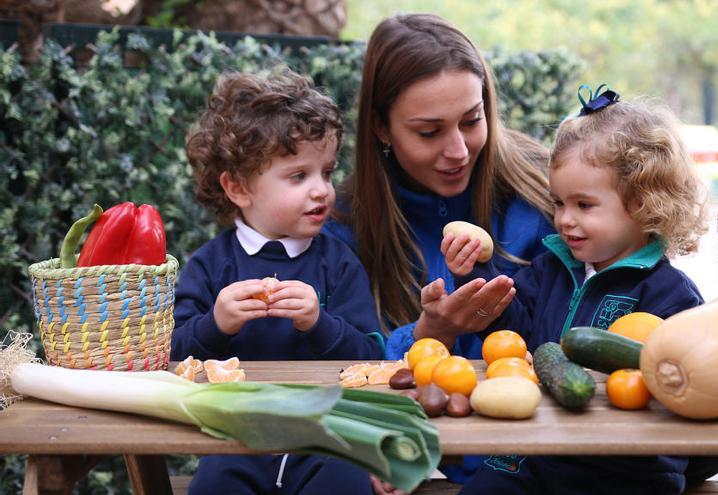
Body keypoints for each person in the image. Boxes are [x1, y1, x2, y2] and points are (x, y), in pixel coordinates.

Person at [322, 14, 555, 488]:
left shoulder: (549, 191)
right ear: (382, 129)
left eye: (472, 120)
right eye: (429, 132)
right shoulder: (342, 224)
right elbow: (344, 364)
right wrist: (431, 332)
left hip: (544, 463)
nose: (458, 151)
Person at [445, 86, 712, 495]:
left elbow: (685, 386)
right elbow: (511, 330)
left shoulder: (670, 295)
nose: (564, 220)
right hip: (532, 454)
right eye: (559, 203)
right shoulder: (550, 267)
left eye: (584, 205)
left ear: (641, 203)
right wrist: (478, 278)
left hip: (624, 470)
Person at [172, 68, 383, 495]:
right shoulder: (211, 266)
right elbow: (173, 356)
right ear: (238, 188)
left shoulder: (338, 264)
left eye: (326, 172)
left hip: (324, 438)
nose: (322, 190)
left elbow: (372, 359)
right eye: (298, 176)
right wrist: (217, 324)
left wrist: (319, 323)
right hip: (233, 438)